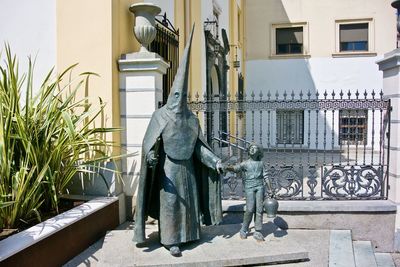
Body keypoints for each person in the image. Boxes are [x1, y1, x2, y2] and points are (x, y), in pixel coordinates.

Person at [133, 26, 224, 257]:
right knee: (171, 203)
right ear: (171, 94)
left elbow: (199, 149)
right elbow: (149, 144)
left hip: (188, 170)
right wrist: (151, 156)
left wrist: (214, 161)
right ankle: (171, 239)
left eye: (184, 96)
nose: (181, 98)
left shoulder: (192, 120)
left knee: (189, 202)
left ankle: (191, 234)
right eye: (177, 95)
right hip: (168, 171)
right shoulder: (160, 116)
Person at [225, 143, 265, 241]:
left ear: (259, 151)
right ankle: (244, 229)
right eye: (251, 148)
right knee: (250, 209)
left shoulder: (261, 163)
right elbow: (236, 168)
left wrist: (271, 189)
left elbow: (266, 176)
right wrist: (227, 167)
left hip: (260, 186)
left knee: (259, 209)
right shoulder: (245, 163)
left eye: (255, 148)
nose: (252, 149)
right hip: (249, 186)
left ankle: (258, 230)